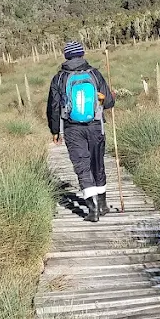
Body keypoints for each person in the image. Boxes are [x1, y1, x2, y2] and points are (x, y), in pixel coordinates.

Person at [47, 41, 116, 221]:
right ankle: (102, 204)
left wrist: (55, 131)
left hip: (72, 129)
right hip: (96, 125)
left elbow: (53, 107)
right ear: (82, 54)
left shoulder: (59, 78)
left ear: (66, 56)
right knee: (97, 163)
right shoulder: (94, 74)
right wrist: (109, 97)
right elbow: (108, 102)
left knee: (82, 166)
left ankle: (91, 208)